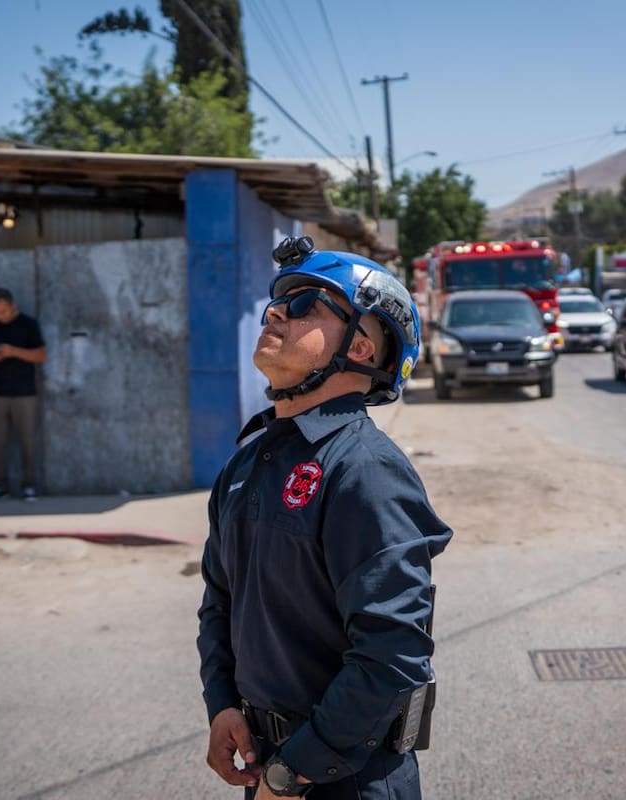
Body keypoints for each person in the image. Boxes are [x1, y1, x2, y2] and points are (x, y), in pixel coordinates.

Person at [197, 237, 452, 799]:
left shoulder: (365, 468)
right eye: (277, 303)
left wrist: (294, 772)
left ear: (359, 347)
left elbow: (392, 655)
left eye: (304, 304)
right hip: (270, 768)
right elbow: (220, 601)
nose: (275, 313)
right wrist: (222, 705)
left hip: (343, 778)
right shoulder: (247, 462)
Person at [0, 287, 46, 502]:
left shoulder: (28, 324)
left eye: (3, 311)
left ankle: (29, 485)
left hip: (25, 393)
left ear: (12, 306)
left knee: (27, 441)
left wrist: (13, 351)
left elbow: (40, 355)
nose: (0, 316)